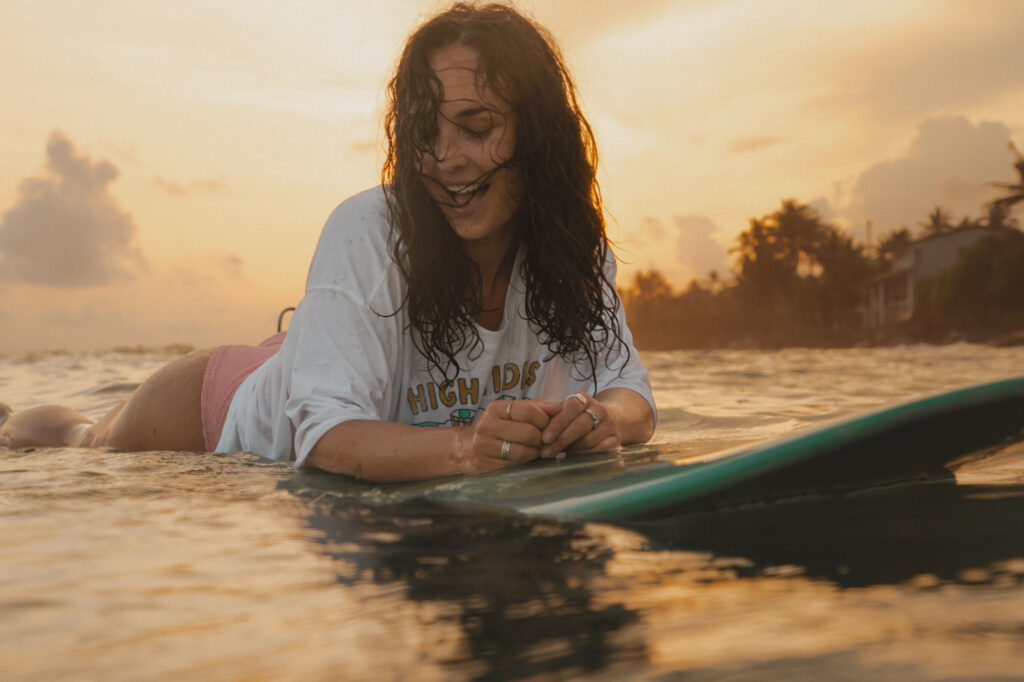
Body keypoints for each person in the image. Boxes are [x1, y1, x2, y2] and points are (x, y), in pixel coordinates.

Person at [0, 3, 656, 482]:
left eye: (476, 125)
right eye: (425, 129)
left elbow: (631, 395)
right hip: (223, 403)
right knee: (81, 439)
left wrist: (601, 421)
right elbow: (325, 437)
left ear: (537, 130)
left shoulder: (574, 249)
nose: (445, 157)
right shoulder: (369, 227)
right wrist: (465, 451)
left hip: (323, 355)